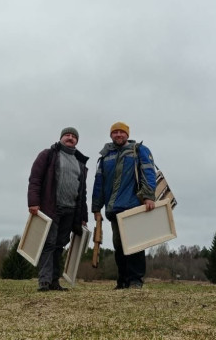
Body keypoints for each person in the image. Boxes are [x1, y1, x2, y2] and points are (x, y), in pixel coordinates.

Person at [91, 122, 156, 289]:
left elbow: (149, 172)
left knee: (134, 244)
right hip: (114, 209)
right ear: (111, 135)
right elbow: (99, 183)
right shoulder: (105, 156)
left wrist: (149, 196)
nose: (118, 135)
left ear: (127, 134)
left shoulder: (139, 150)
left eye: (121, 132)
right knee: (119, 246)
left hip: (133, 205)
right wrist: (96, 208)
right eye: (115, 132)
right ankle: (122, 281)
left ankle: (136, 281)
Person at [27, 127, 89, 291]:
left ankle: (55, 281)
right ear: (61, 138)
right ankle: (44, 281)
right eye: (67, 135)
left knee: (60, 245)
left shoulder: (80, 163)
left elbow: (82, 192)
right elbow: (35, 179)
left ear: (77, 141)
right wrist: (33, 202)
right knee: (49, 243)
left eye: (73, 136)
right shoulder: (48, 155)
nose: (70, 138)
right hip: (51, 208)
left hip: (71, 211)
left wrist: (83, 216)